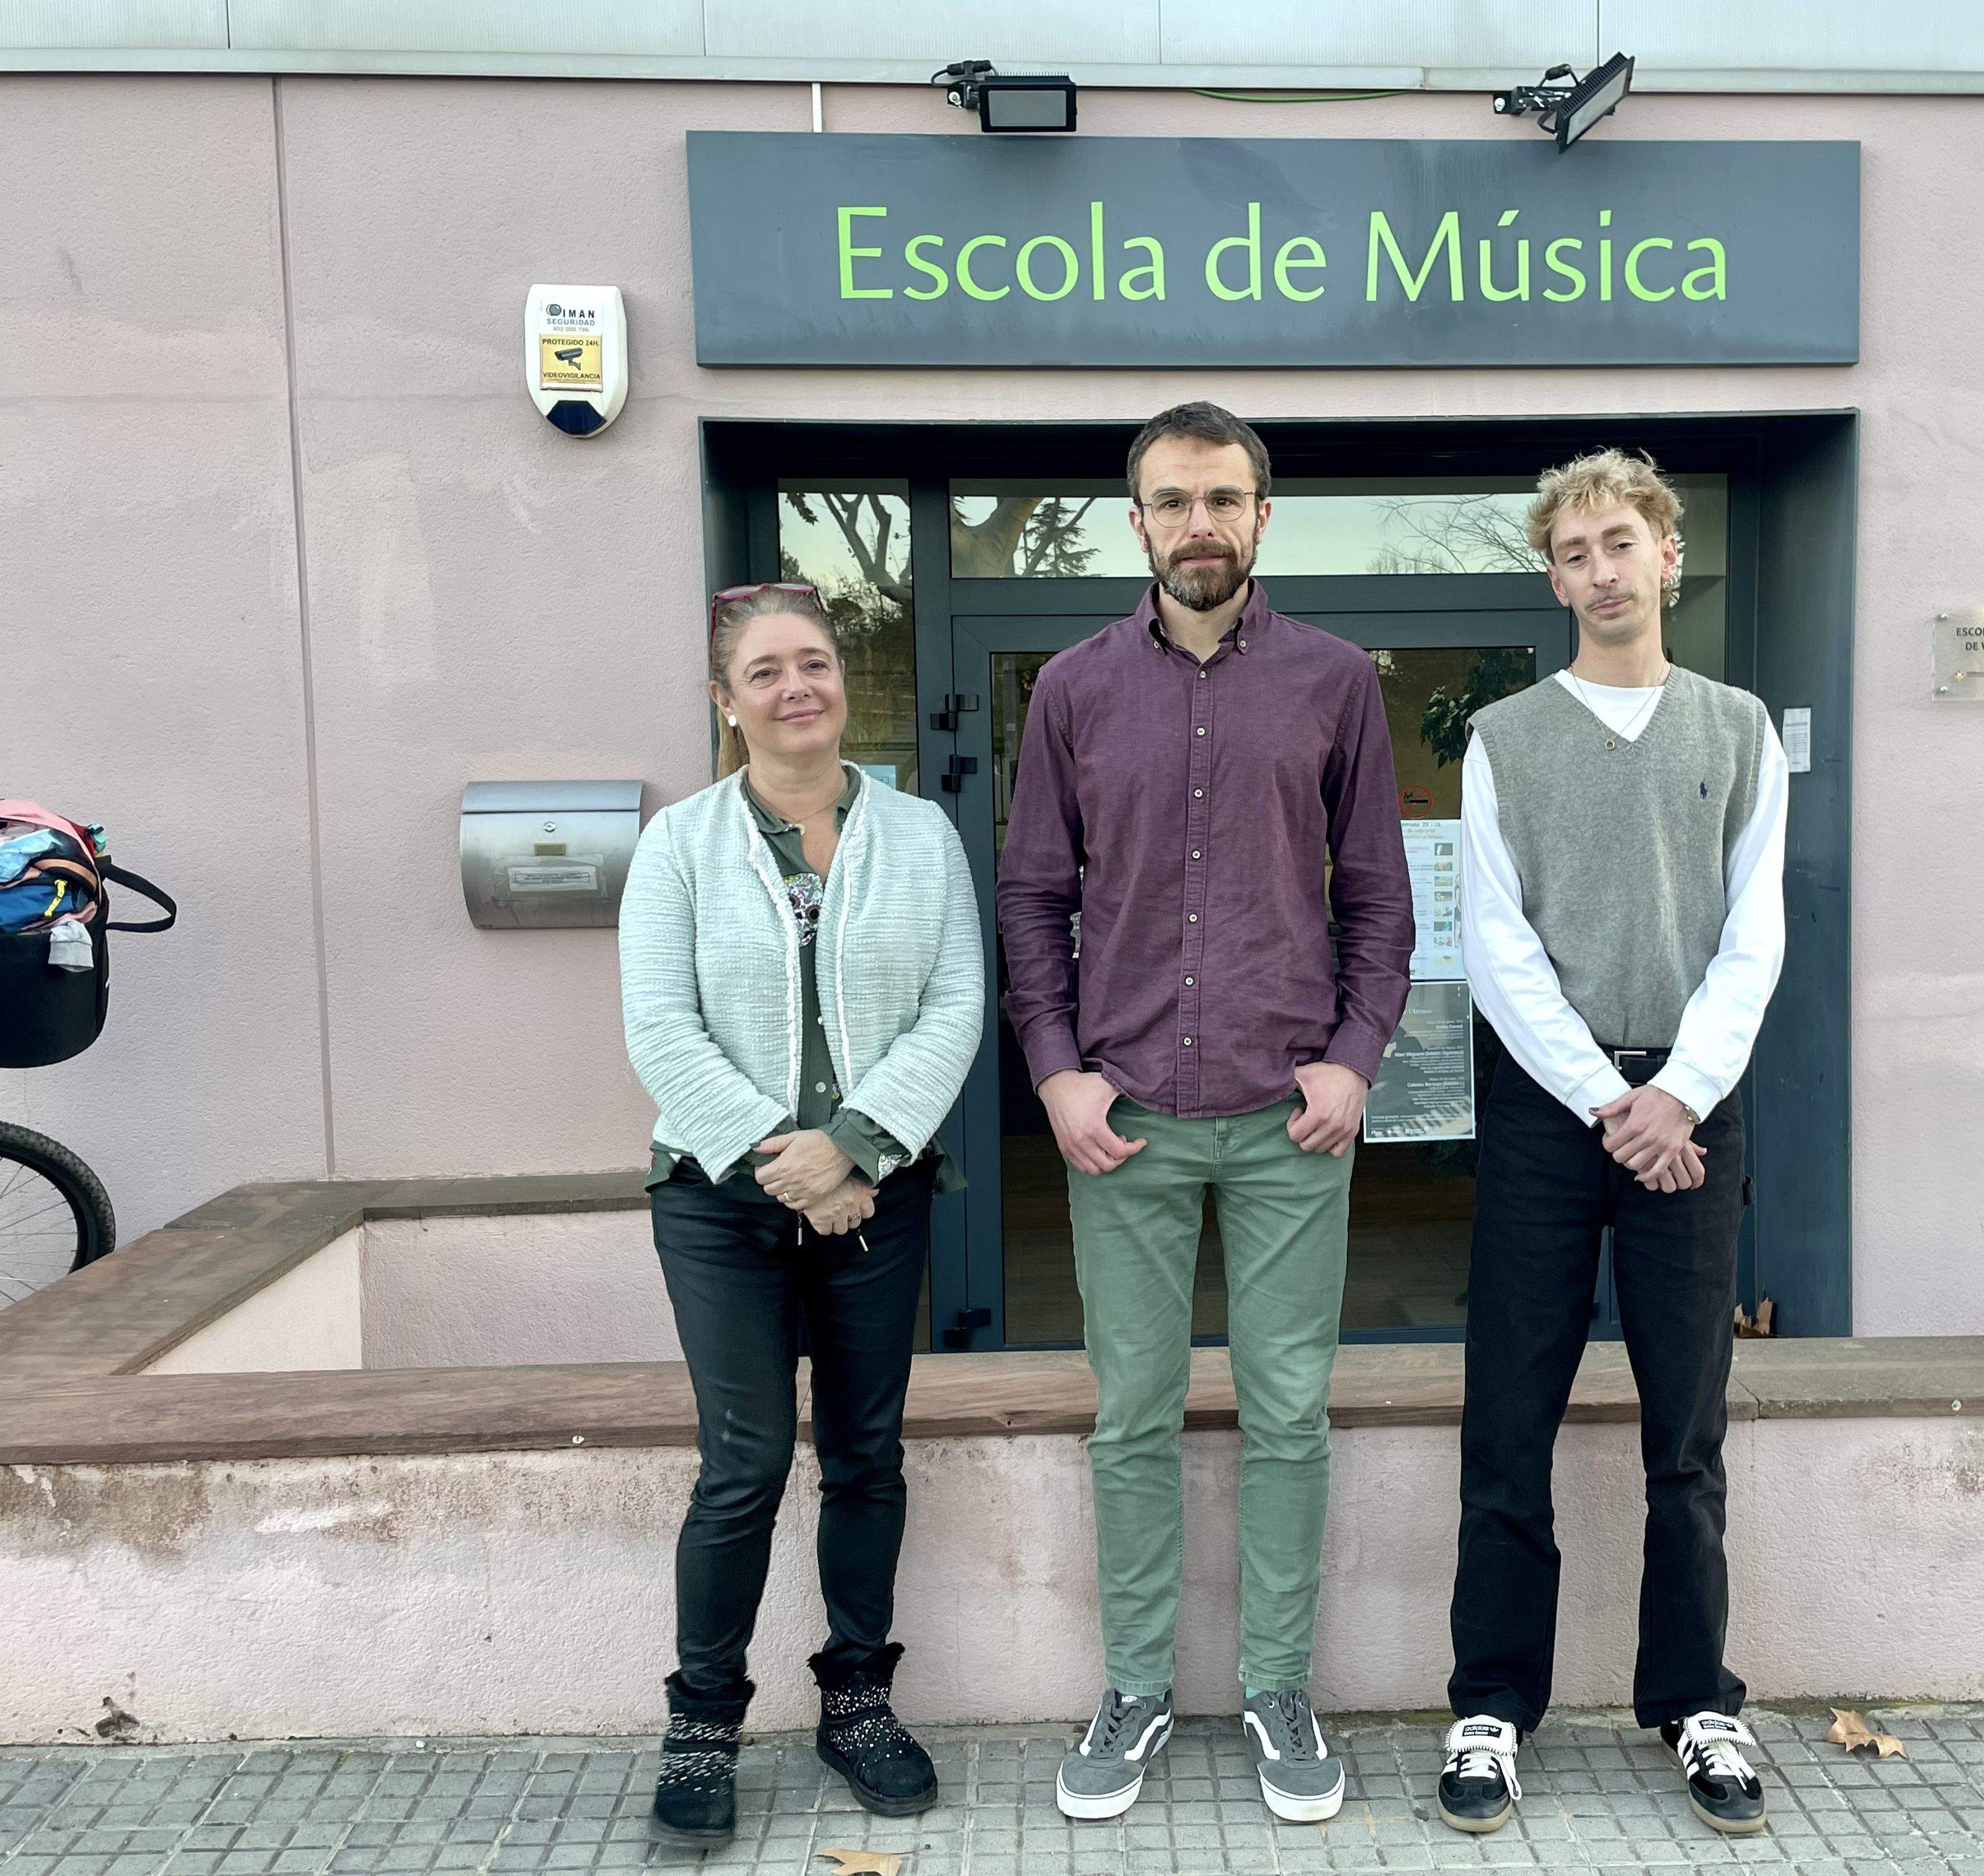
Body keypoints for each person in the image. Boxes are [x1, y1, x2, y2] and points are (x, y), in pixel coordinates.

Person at [996, 403, 1413, 1825]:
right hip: (1126, 1119)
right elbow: (1032, 896)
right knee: (1134, 1417)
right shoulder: (1070, 689)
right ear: (1137, 522)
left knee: (1291, 1413)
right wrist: (1056, 1071)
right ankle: (1136, 1690)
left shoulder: (1334, 682)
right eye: (1173, 501)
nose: (1199, 525)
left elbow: (1376, 893)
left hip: (1292, 1113)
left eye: (1224, 499)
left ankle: (1280, 1687)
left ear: (1262, 516)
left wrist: (1356, 1056)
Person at [1436, 450, 1789, 1838]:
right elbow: (1496, 946)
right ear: (1554, 574)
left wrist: (1679, 1094)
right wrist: (1606, 1098)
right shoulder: (1504, 739)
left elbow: (1755, 934)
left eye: (1619, 542)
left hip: (1689, 1107)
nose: (1599, 568)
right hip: (1550, 1107)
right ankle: (1492, 1705)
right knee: (1507, 1416)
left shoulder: (1738, 729)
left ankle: (1697, 1699)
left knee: (1685, 1427)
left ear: (1666, 558)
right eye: (1573, 550)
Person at [619, 581, 983, 1849]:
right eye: (765, 673)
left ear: (843, 685)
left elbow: (953, 1004)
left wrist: (857, 1150)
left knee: (866, 1456)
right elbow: (659, 1025)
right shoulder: (679, 845)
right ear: (728, 706)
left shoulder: (921, 836)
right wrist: (788, 1163)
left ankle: (859, 1706)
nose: (795, 688)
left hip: (879, 1196)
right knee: (745, 1464)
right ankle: (704, 1722)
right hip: (721, 1205)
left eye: (815, 665)